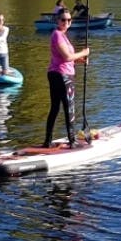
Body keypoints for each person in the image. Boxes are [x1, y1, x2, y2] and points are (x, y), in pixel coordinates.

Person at [44, 11, 90, 148]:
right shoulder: (57, 35)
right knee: (68, 107)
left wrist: (81, 60)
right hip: (62, 75)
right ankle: (72, 141)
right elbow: (67, 57)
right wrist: (84, 52)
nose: (67, 22)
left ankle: (48, 141)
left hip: (57, 74)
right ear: (58, 20)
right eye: (63, 20)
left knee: (55, 108)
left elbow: (67, 58)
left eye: (69, 20)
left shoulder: (62, 36)